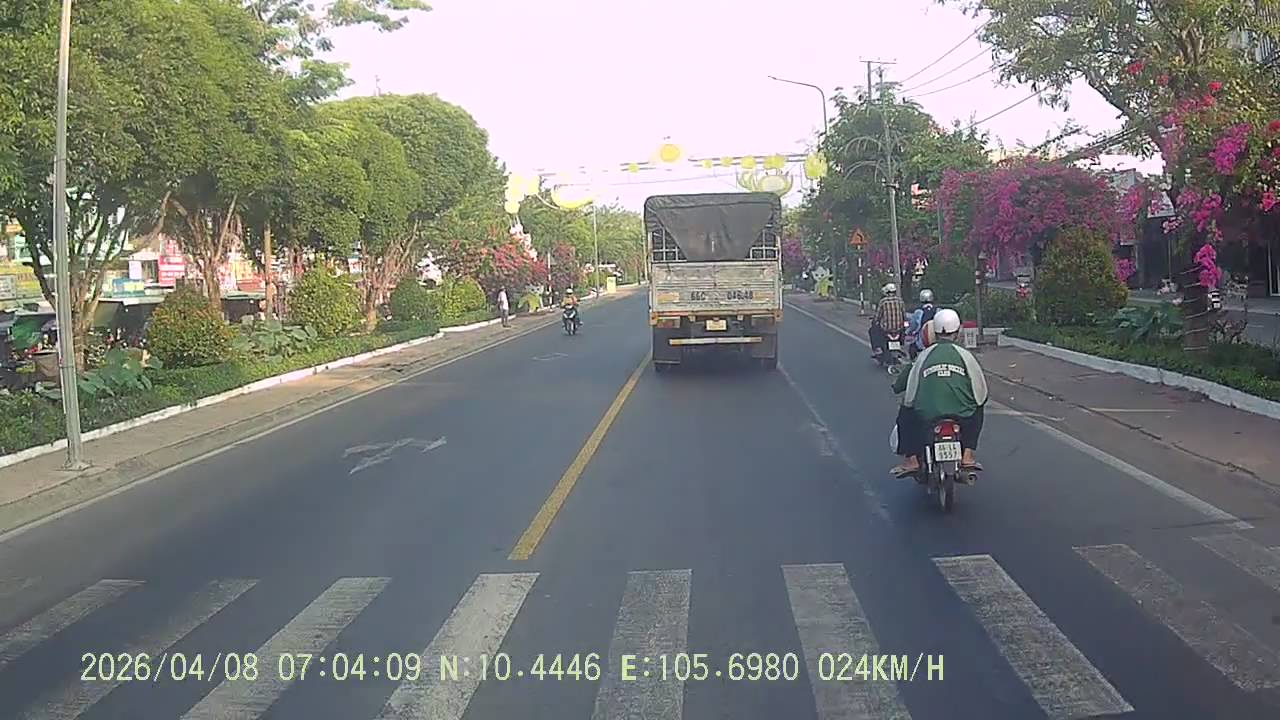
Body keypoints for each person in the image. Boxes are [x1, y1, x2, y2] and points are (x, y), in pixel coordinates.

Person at [890, 308, 988, 475]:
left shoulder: (923, 356)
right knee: (978, 409)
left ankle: (911, 460)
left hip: (927, 413)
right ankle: (967, 455)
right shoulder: (965, 355)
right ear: (958, 332)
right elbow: (981, 391)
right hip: (962, 413)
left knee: (905, 415)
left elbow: (910, 390)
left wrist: (907, 403)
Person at [869, 283, 905, 357]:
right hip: (899, 328)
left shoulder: (883, 301)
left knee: (872, 331)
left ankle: (877, 349)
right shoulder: (900, 301)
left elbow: (878, 315)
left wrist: (875, 320)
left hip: (886, 329)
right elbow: (904, 314)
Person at [907, 289, 937, 356]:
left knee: (912, 348)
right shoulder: (938, 310)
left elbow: (913, 326)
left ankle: (914, 361)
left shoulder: (918, 312)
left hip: (922, 342)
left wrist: (908, 332)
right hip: (936, 341)